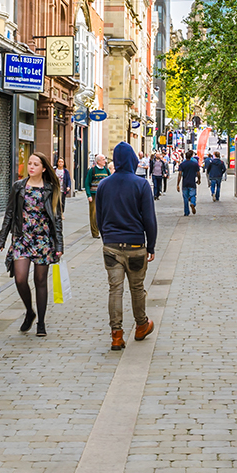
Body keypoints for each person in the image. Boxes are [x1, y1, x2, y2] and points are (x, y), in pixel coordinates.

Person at [94, 142, 157, 351]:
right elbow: (149, 219)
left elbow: (99, 217)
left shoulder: (104, 185)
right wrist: (152, 245)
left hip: (111, 245)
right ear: (133, 160)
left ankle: (116, 335)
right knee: (137, 288)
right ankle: (141, 326)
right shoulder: (141, 185)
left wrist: (107, 239)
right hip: (136, 244)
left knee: (115, 290)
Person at [0, 153, 63, 336]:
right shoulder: (18, 187)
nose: (31, 167)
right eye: (30, 163)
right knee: (20, 278)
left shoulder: (50, 189)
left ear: (43, 168)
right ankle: (30, 311)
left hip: (42, 240)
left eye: (36, 164)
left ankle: (41, 323)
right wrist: (1, 239)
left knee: (40, 281)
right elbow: (9, 213)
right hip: (22, 238)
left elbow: (56, 219)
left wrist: (59, 246)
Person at [85, 154, 111, 239]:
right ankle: (95, 232)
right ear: (98, 161)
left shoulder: (107, 170)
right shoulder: (92, 170)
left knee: (104, 213)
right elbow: (87, 183)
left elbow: (111, 181)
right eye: (103, 159)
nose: (105, 161)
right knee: (94, 214)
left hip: (104, 195)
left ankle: (104, 230)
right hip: (94, 195)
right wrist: (89, 195)